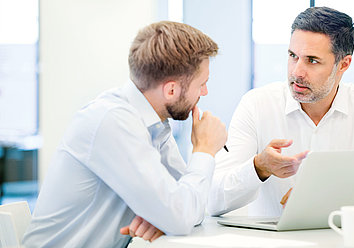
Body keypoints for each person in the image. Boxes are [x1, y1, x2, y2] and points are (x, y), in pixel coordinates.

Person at [22, 21, 227, 247]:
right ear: (171, 90)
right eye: (202, 84)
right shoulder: (112, 121)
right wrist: (205, 150)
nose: (205, 92)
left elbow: (192, 208)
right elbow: (182, 215)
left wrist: (168, 215)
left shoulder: (154, 125)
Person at [207, 7, 354, 218]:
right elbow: (214, 200)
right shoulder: (256, 105)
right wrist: (259, 167)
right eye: (293, 56)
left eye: (312, 60)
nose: (296, 72)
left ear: (343, 64)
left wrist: (334, 204)